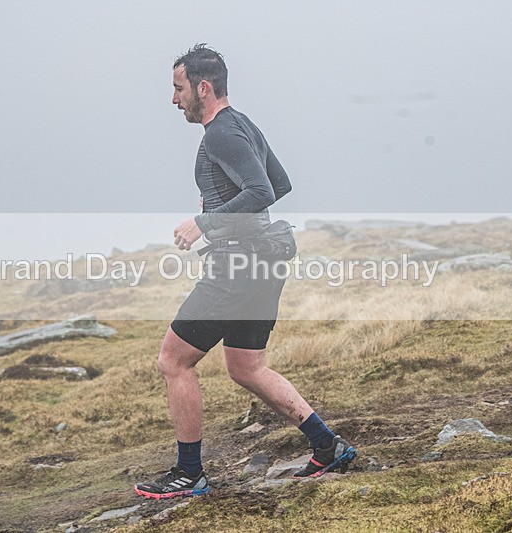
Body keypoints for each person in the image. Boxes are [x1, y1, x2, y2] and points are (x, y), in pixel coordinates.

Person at [134, 44, 356, 500]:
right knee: (246, 366)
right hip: (263, 261)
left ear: (203, 87)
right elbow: (281, 184)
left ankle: (189, 473)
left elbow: (260, 190)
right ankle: (326, 444)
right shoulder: (243, 125)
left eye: (178, 89)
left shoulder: (221, 134)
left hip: (238, 266)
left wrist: (204, 221)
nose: (174, 100)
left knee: (174, 361)